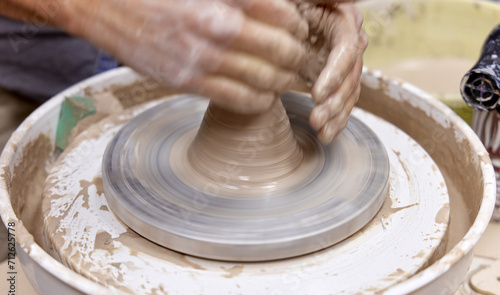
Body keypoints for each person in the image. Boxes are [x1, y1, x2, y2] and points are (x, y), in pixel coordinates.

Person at [1, 0, 367, 144]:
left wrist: (317, 13)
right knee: (15, 251)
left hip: (200, 27)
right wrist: (95, 8)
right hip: (32, 57)